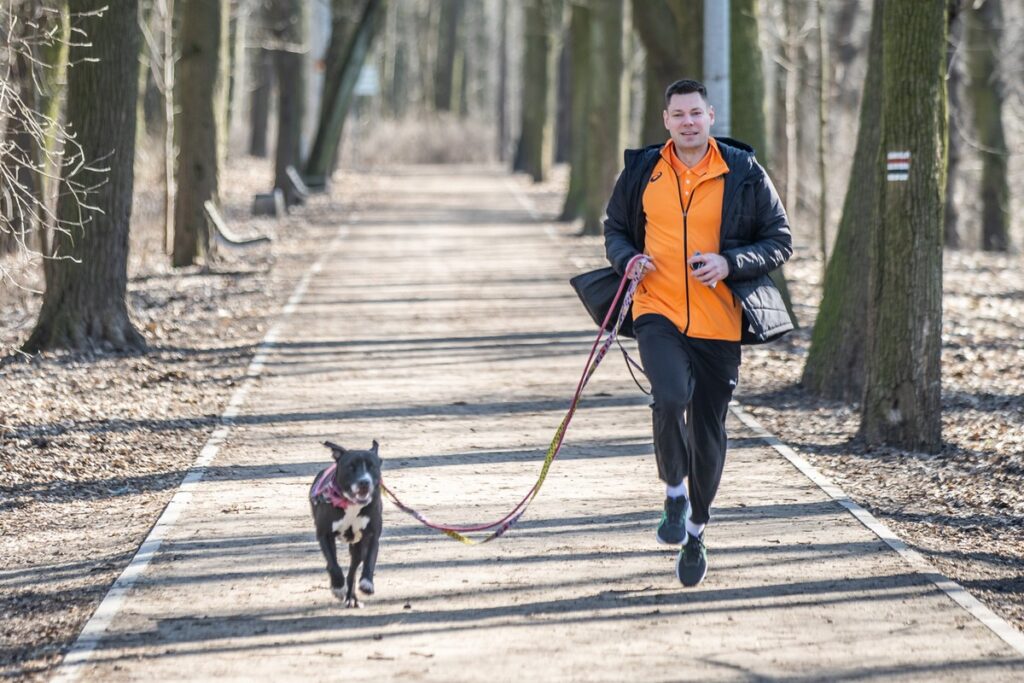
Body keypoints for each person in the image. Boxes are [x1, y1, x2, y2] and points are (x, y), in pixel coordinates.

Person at [603, 78, 794, 587]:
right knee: (669, 397)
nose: (688, 122)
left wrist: (729, 263)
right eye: (678, 114)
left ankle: (696, 528)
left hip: (719, 321)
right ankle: (672, 492)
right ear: (665, 120)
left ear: (711, 116)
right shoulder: (644, 170)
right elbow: (615, 229)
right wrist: (630, 259)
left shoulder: (744, 171)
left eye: (696, 113)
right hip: (657, 308)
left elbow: (779, 239)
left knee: (709, 431)